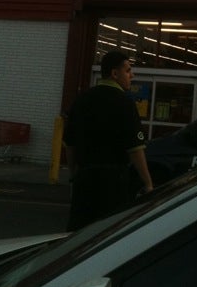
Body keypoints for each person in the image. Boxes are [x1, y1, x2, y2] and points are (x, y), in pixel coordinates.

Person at [63, 49, 153, 231]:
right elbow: (135, 149)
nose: (132, 75)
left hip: (84, 179)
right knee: (109, 231)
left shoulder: (82, 100)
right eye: (128, 71)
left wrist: (73, 173)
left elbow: (70, 144)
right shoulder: (125, 103)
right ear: (114, 74)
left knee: (78, 232)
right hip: (113, 181)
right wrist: (148, 182)